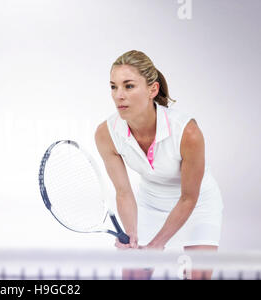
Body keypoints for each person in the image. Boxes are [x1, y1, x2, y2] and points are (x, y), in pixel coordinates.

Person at [95, 50, 224, 279]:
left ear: (152, 90)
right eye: (113, 87)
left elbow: (188, 198)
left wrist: (157, 244)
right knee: (134, 275)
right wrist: (132, 235)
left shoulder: (187, 132)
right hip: (150, 205)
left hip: (198, 206)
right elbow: (123, 192)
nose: (118, 96)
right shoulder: (106, 133)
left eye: (129, 86)